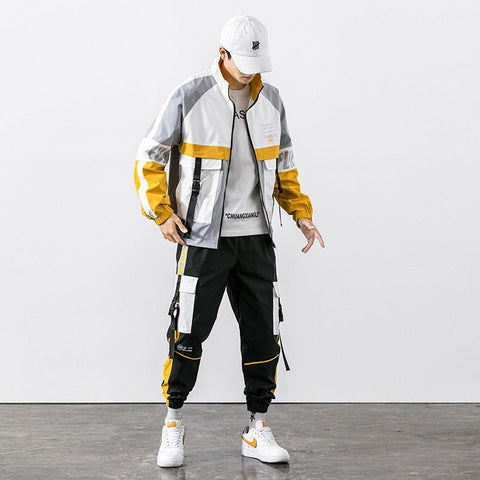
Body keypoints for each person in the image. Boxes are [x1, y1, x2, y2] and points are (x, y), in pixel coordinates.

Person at [133, 14, 325, 468]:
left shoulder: (271, 100)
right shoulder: (190, 95)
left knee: (263, 334)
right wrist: (161, 211)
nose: (251, 72)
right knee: (187, 332)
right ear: (222, 54)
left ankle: (257, 427)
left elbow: (285, 164)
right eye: (243, 63)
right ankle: (173, 424)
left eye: (258, 64)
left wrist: (301, 212)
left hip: (256, 240)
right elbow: (148, 157)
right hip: (202, 240)